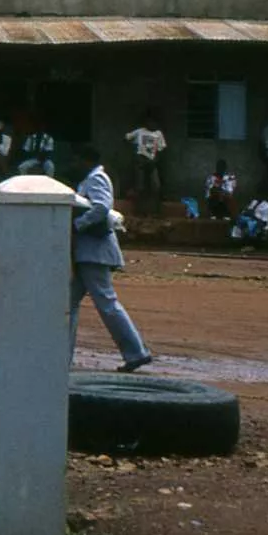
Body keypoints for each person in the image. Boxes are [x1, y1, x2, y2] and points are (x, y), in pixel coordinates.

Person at [70, 146, 152, 373]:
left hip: (94, 252)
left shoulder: (96, 178)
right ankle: (62, 355)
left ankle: (136, 352)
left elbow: (102, 208)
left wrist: (77, 225)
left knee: (106, 303)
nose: (74, 164)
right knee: (68, 304)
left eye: (77, 159)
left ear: (86, 159)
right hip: (88, 253)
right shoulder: (90, 179)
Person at [124, 112, 167, 217]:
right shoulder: (140, 132)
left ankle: (155, 211)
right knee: (140, 186)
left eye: (154, 122)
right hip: (140, 161)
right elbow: (126, 138)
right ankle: (139, 211)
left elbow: (162, 149)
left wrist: (155, 160)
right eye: (150, 121)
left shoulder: (158, 134)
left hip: (152, 162)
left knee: (155, 186)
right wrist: (134, 153)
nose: (152, 124)